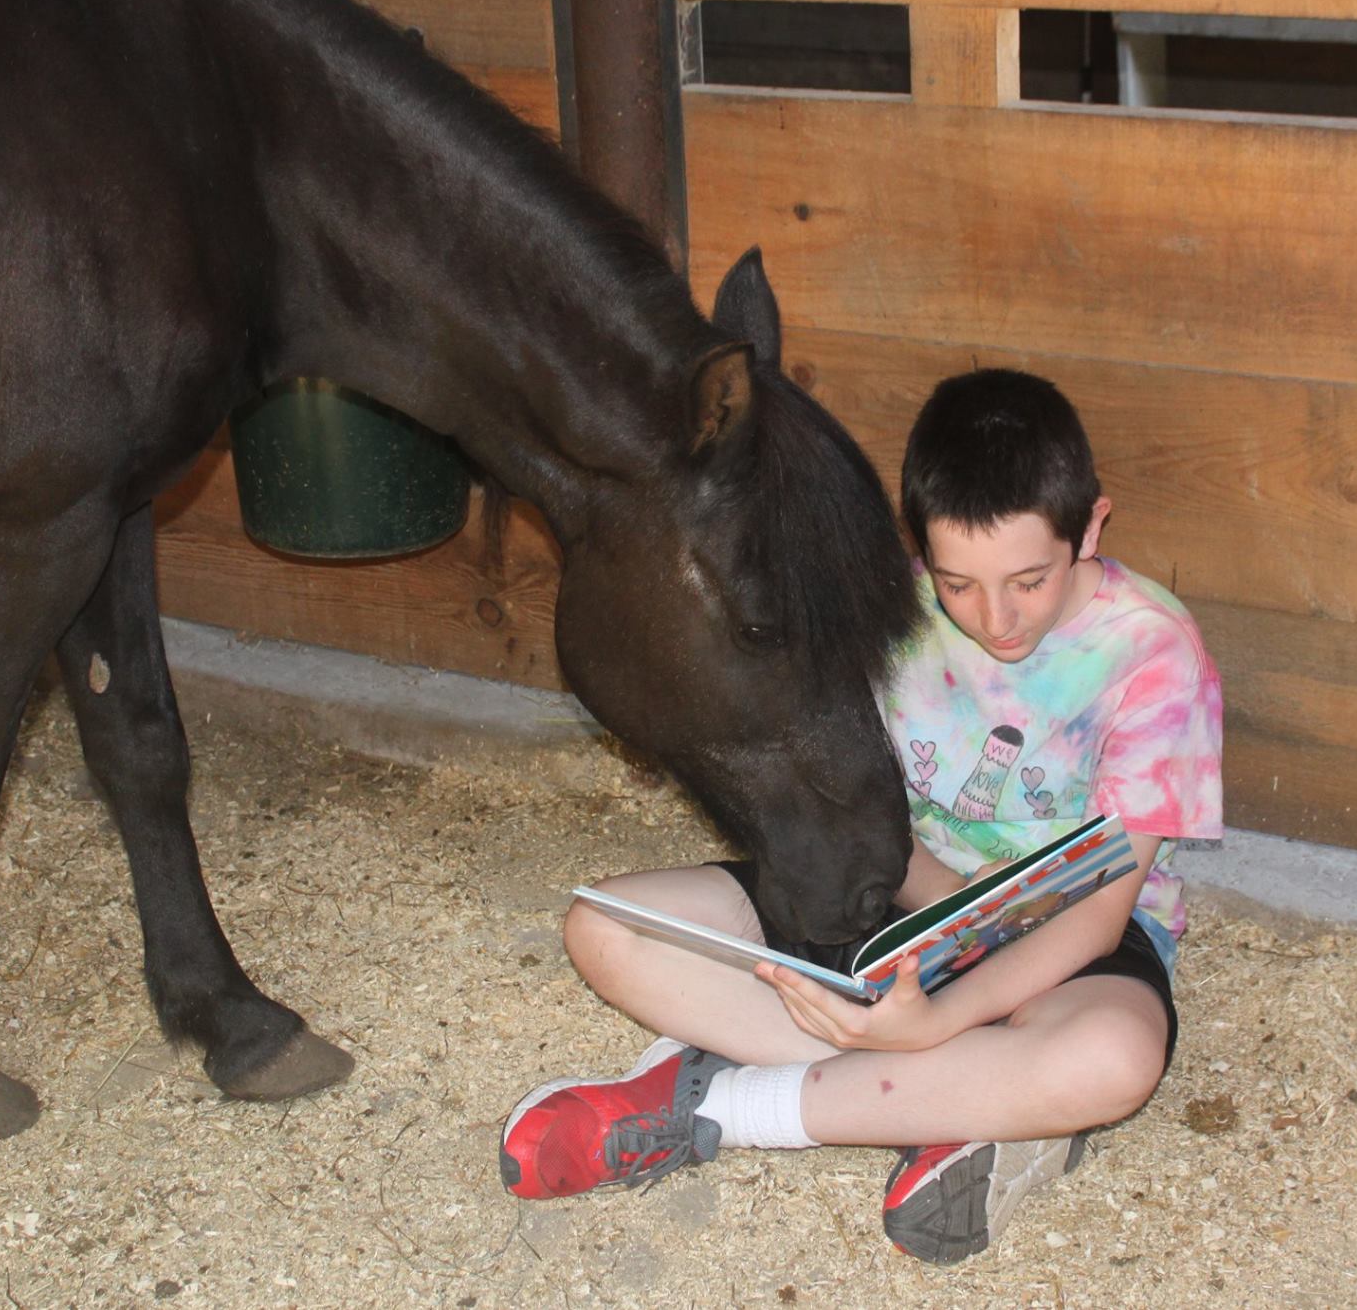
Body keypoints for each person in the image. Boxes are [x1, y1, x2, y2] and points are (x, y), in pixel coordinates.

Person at [498, 368, 1223, 1264]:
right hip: (894, 899)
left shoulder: (1154, 652)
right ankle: (976, 1104)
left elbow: (1103, 908)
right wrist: (919, 963)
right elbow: (860, 808)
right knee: (605, 928)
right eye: (958, 583)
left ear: (1092, 527)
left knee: (1114, 1060)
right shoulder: (895, 606)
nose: (994, 617)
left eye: (1029, 580)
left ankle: (723, 1108)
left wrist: (939, 1019)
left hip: (1073, 945)